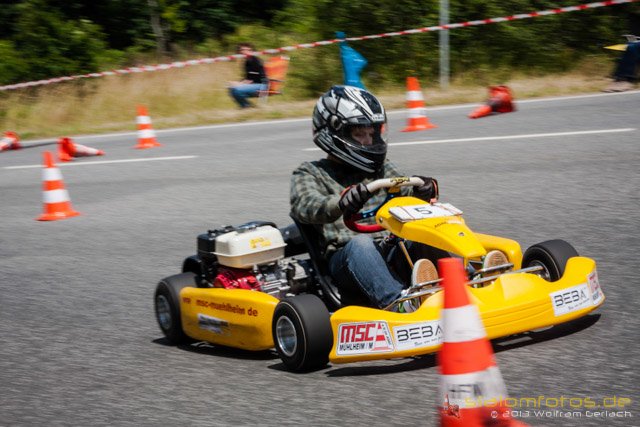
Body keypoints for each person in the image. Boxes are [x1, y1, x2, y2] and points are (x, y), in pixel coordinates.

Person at [290, 85, 445, 311]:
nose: (368, 141)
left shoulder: (381, 169)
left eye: (371, 134)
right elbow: (305, 206)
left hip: (390, 245)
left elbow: (405, 195)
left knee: (425, 230)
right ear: (335, 133)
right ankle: (399, 305)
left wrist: (421, 192)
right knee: (361, 244)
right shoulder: (310, 172)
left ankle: (464, 280)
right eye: (359, 134)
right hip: (346, 260)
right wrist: (341, 202)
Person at [228, 43, 267, 108]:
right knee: (231, 88)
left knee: (236, 89)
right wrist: (237, 83)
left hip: (262, 85)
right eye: (241, 50)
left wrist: (239, 84)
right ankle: (246, 106)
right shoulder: (246, 62)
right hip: (254, 84)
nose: (243, 51)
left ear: (251, 50)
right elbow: (248, 77)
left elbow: (253, 79)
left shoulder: (255, 60)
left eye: (246, 50)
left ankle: (247, 106)